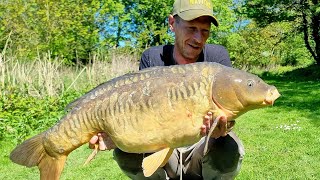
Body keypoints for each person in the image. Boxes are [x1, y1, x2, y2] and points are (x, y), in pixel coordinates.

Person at [89, 0, 245, 179]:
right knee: (126, 153)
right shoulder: (152, 57)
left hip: (202, 145)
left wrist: (223, 127)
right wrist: (115, 134)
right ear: (172, 23)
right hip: (161, 145)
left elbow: (228, 113)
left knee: (229, 147)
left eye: (205, 31)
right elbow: (141, 117)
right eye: (191, 28)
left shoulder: (217, 59)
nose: (198, 39)